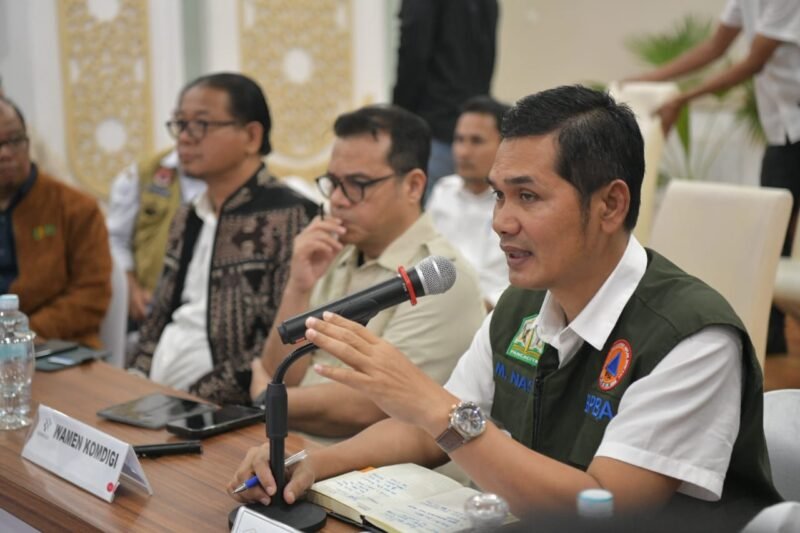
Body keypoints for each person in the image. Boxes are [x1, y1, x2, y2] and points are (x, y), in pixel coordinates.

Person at [230, 86, 781, 528]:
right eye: (498, 194)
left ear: (611, 204)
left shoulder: (691, 335)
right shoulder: (523, 306)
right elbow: (426, 433)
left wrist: (431, 404)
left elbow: (605, 509)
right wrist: (314, 462)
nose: (500, 222)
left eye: (528, 196)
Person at [249, 104, 486, 439]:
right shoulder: (335, 252)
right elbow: (283, 373)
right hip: (297, 447)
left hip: (375, 467)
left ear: (413, 186)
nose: (338, 200)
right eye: (333, 182)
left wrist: (266, 398)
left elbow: (369, 407)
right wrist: (297, 287)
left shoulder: (439, 277)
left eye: (357, 184)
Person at [126, 73, 317, 405]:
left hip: (228, 407)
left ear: (251, 136)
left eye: (200, 124)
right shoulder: (187, 214)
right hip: (158, 398)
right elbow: (159, 316)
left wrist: (191, 399)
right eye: (180, 124)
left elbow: (280, 337)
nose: (184, 138)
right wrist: (134, 379)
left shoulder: (293, 216)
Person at [630, 0, 800, 354]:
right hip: (781, 129)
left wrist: (684, 98)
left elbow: (754, 62)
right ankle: (769, 339)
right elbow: (714, 47)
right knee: (774, 240)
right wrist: (650, 80)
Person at [0, 95, 111, 347]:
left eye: (14, 141)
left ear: (28, 143)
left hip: (55, 345)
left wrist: (19, 333)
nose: (5, 153)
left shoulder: (76, 208)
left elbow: (92, 296)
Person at [392, 0, 498, 192]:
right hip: (470, 119)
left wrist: (400, 120)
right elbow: (488, 53)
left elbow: (413, 52)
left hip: (430, 125)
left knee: (429, 203)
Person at [426, 96, 510, 308]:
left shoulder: (516, 202)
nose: (463, 152)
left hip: (495, 313)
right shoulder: (443, 191)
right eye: (459, 140)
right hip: (438, 307)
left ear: (504, 144)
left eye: (476, 141)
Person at [106, 148, 206, 323]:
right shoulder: (144, 172)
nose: (186, 137)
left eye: (200, 130)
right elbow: (115, 238)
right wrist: (130, 287)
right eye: (181, 131)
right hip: (149, 305)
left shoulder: (233, 179)